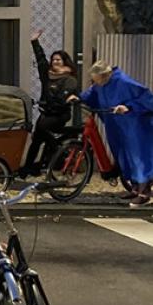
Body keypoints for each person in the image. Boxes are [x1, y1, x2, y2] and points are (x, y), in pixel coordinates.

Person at [68, 62, 153, 208]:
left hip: (133, 125)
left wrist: (128, 107)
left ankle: (144, 193)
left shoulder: (124, 82)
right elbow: (92, 93)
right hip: (116, 124)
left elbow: (147, 98)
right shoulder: (100, 85)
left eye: (97, 80)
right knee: (123, 156)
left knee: (137, 156)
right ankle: (135, 188)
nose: (96, 83)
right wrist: (79, 97)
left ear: (105, 75)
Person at [19, 29, 78, 177]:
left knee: (41, 128)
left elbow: (62, 98)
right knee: (36, 140)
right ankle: (28, 168)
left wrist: (52, 103)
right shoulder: (47, 76)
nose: (55, 62)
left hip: (60, 114)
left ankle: (57, 150)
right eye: (54, 60)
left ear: (65, 62)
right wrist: (34, 41)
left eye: (58, 60)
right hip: (46, 113)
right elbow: (41, 60)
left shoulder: (69, 79)